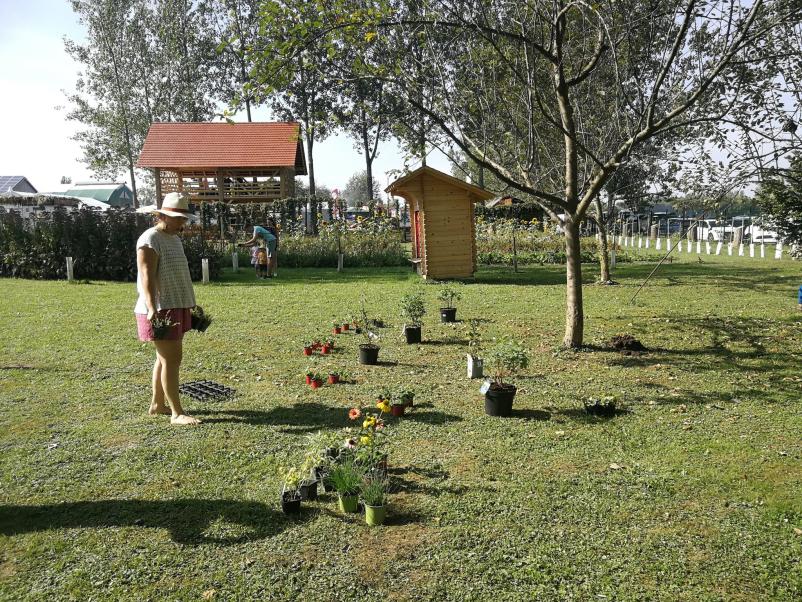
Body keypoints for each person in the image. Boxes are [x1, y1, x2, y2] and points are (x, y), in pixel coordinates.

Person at [134, 192, 201, 426]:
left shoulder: (174, 238)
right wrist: (153, 308)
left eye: (184, 218)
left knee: (163, 359)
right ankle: (176, 413)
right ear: (164, 216)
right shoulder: (149, 239)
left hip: (175, 304)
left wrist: (189, 302)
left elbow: (177, 275)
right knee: (172, 359)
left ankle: (157, 404)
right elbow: (147, 278)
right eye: (179, 218)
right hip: (160, 308)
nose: (183, 222)